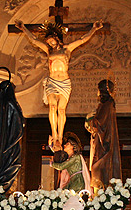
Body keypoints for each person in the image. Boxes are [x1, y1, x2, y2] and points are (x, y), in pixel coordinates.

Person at [15, 19, 103, 150]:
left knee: (61, 110)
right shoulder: (48, 51)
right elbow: (34, 40)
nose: (50, 44)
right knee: (52, 107)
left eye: (52, 41)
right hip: (52, 82)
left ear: (56, 39)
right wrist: (23, 29)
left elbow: (82, 39)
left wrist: (94, 29)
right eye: (48, 42)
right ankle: (54, 134)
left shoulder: (67, 49)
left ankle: (60, 137)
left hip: (64, 83)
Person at [0, 75, 25, 192]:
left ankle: (1, 189)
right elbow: (18, 126)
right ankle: (3, 190)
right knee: (12, 164)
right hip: (9, 143)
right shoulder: (10, 104)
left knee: (6, 166)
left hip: (3, 144)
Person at [85, 79, 121, 192]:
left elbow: (99, 124)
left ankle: (101, 193)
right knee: (97, 170)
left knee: (99, 169)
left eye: (98, 90)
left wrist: (89, 120)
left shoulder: (107, 105)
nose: (97, 93)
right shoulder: (104, 105)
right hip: (100, 142)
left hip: (104, 144)